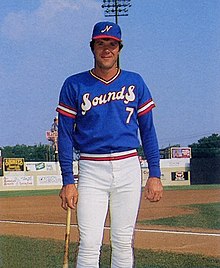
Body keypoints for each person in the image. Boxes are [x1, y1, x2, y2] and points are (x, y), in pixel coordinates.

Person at [57, 21, 163, 268]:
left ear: (119, 48)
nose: (106, 49)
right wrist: (67, 180)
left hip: (128, 166)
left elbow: (148, 130)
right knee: (90, 243)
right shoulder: (74, 84)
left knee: (123, 242)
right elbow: (64, 134)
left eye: (112, 44)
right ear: (92, 47)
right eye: (101, 43)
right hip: (92, 169)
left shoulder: (135, 82)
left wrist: (155, 174)